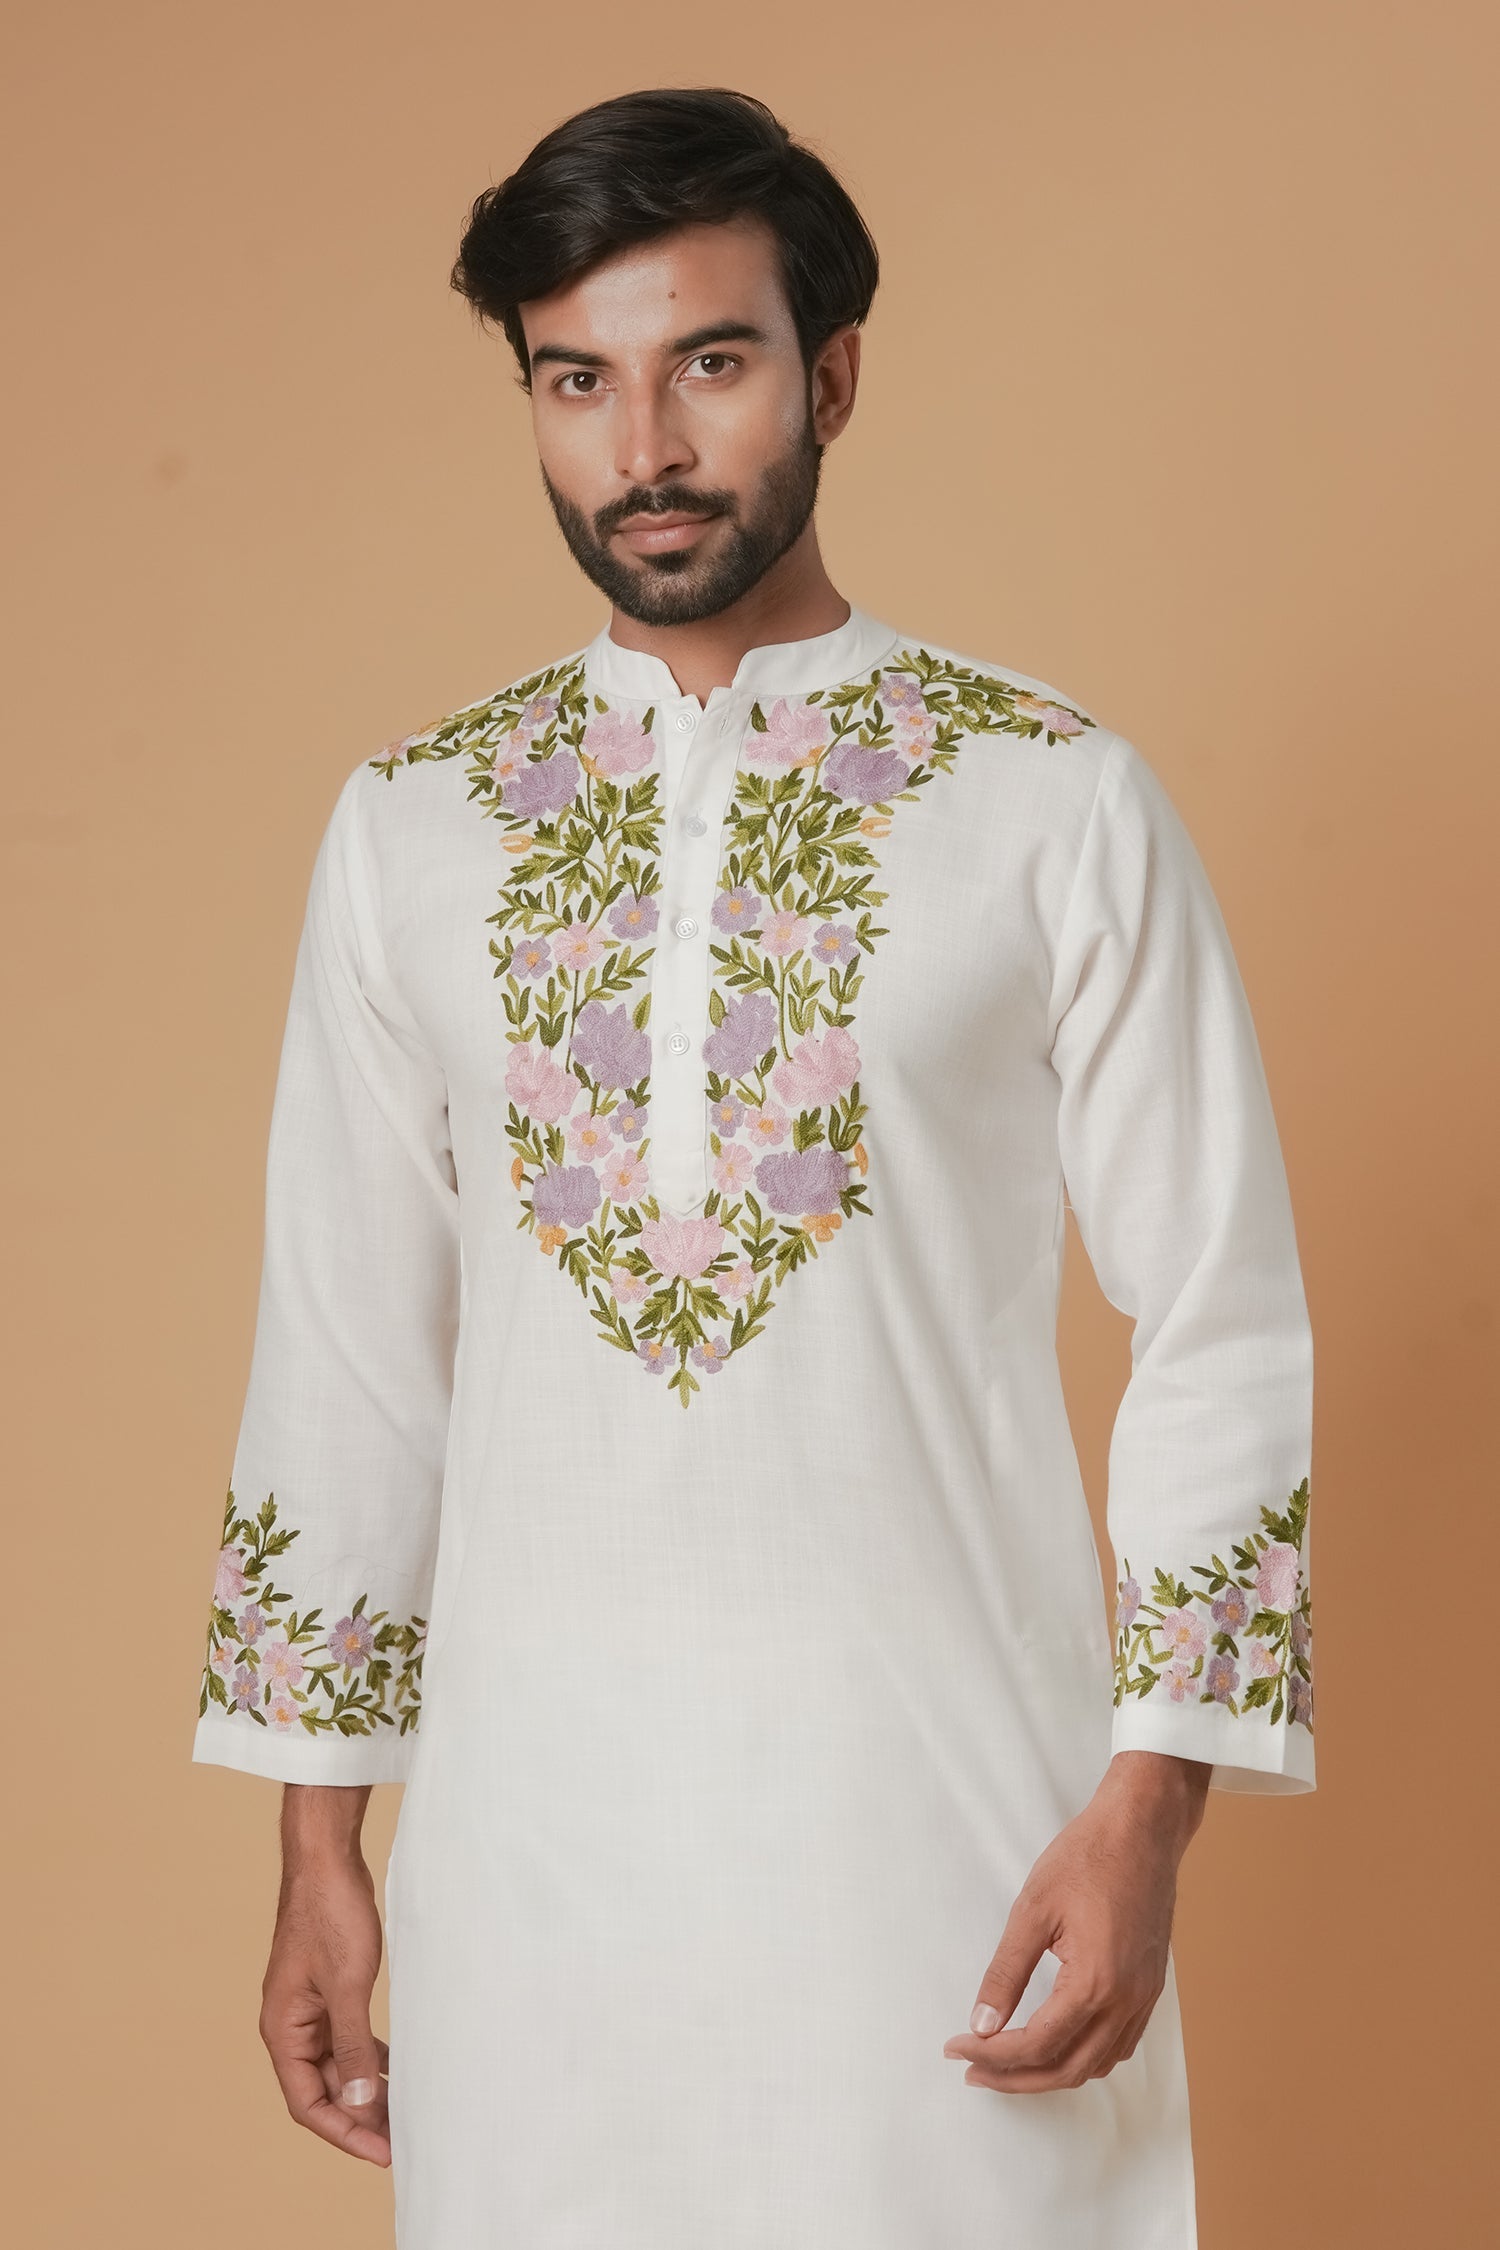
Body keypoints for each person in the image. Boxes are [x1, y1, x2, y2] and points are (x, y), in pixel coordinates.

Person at [191, 85, 1316, 2250]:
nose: (646, 448)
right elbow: (346, 1352)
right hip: (531, 1880)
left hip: (953, 1853)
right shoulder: (414, 828)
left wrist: (1149, 1805)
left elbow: (1221, 1315)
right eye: (576, 381)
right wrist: (320, 1846)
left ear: (834, 375)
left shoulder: (1051, 799)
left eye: (708, 362)